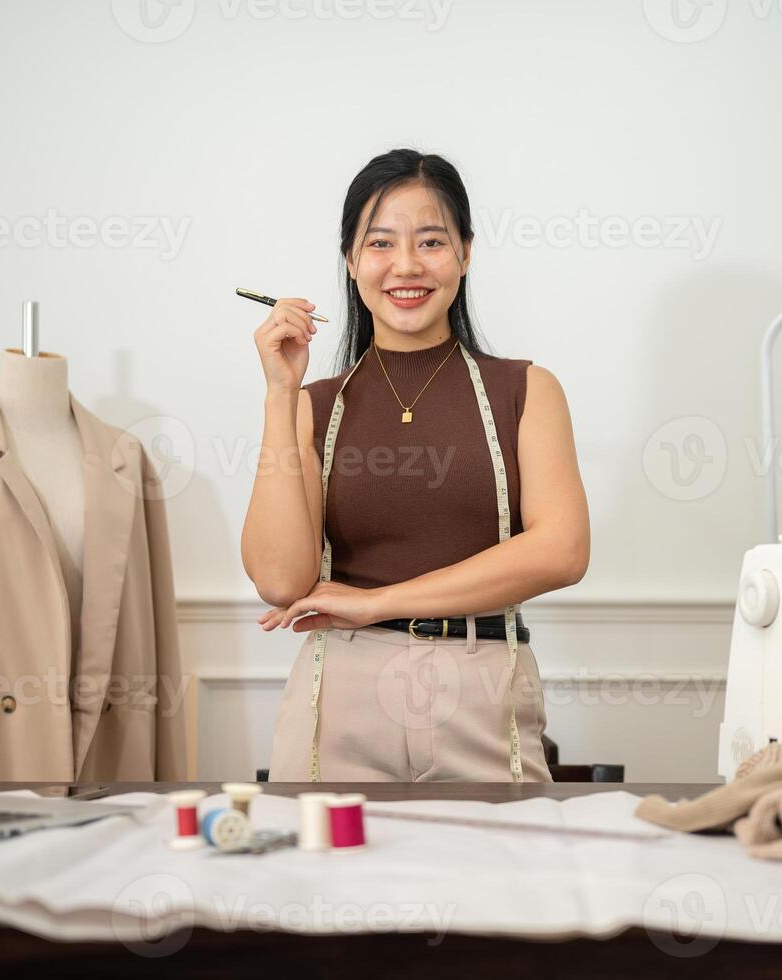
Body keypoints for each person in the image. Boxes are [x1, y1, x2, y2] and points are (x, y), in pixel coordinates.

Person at [241, 148, 590, 782]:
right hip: (339, 691)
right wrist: (278, 393)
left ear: (465, 253)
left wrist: (377, 603)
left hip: (482, 685)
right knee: (327, 880)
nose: (406, 265)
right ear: (351, 260)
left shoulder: (528, 391)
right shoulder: (312, 406)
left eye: (431, 241)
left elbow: (562, 551)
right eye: (380, 244)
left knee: (500, 879)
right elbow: (280, 580)